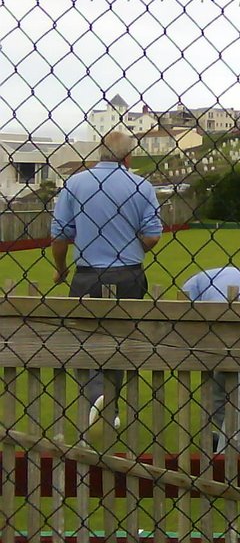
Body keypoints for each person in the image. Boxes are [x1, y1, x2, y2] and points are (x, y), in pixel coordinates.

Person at [50, 130, 163, 428]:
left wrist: (60, 268)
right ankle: (110, 404)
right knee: (121, 339)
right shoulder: (141, 186)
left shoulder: (75, 183)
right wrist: (128, 241)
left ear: (98, 154)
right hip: (128, 273)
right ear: (128, 157)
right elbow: (152, 236)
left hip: (87, 274)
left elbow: (60, 235)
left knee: (86, 339)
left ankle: (93, 398)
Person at [181, 266, 240, 453]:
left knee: (239, 382)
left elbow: (188, 320)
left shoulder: (191, 284)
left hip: (225, 308)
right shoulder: (211, 276)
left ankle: (236, 449)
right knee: (224, 385)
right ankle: (229, 435)